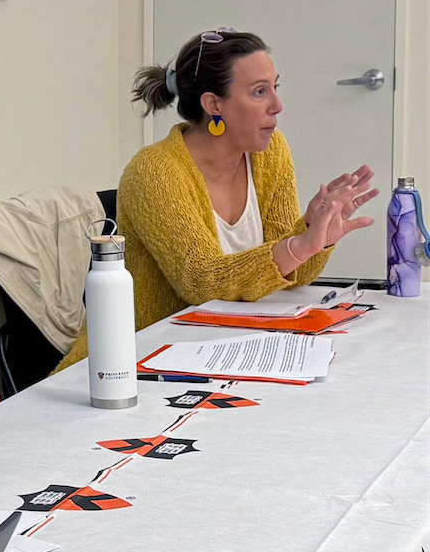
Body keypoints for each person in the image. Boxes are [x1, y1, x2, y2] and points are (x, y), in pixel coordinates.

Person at [57, 29, 378, 369]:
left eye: (275, 87)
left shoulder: (270, 153)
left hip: (219, 354)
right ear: (213, 104)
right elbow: (202, 282)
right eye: (260, 92)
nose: (277, 106)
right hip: (129, 364)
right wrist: (298, 246)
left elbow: (290, 277)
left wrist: (316, 236)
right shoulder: (154, 172)